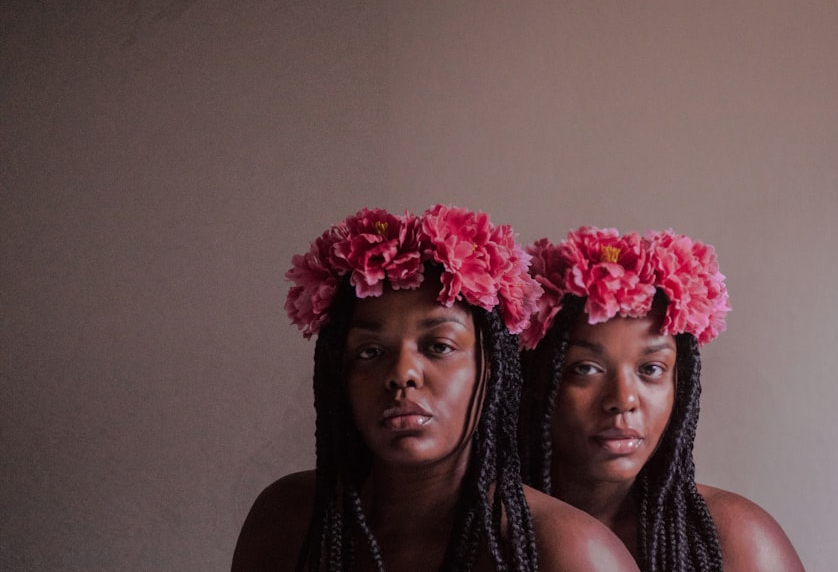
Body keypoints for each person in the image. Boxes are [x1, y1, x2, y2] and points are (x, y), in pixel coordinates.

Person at [232, 206, 639, 572]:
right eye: (370, 351)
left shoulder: (571, 552)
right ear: (341, 377)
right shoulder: (288, 520)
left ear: (492, 370)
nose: (403, 374)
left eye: (438, 346)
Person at [519, 226, 805, 572]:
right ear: (535, 380)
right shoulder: (480, 536)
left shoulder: (741, 542)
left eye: (651, 369)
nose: (622, 400)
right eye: (586, 369)